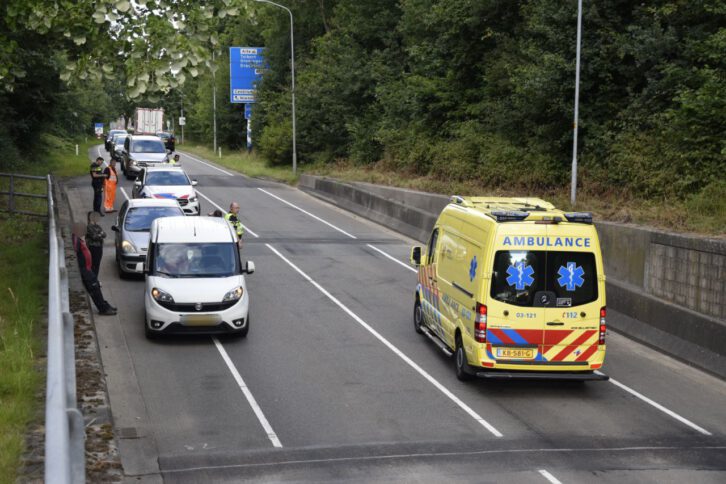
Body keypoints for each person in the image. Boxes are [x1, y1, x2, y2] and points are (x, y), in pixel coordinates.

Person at [72, 223, 116, 315]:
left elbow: (104, 235)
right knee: (94, 287)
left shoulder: (78, 239)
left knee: (96, 287)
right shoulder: (75, 240)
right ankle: (103, 308)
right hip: (85, 270)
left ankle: (105, 305)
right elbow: (74, 254)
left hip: (87, 269)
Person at [86, 211, 106, 278]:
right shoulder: (89, 227)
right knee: (93, 264)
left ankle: (95, 278)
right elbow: (94, 237)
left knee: (97, 264)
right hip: (92, 247)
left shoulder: (98, 226)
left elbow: (105, 234)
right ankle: (92, 279)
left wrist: (100, 234)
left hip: (99, 247)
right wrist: (100, 234)